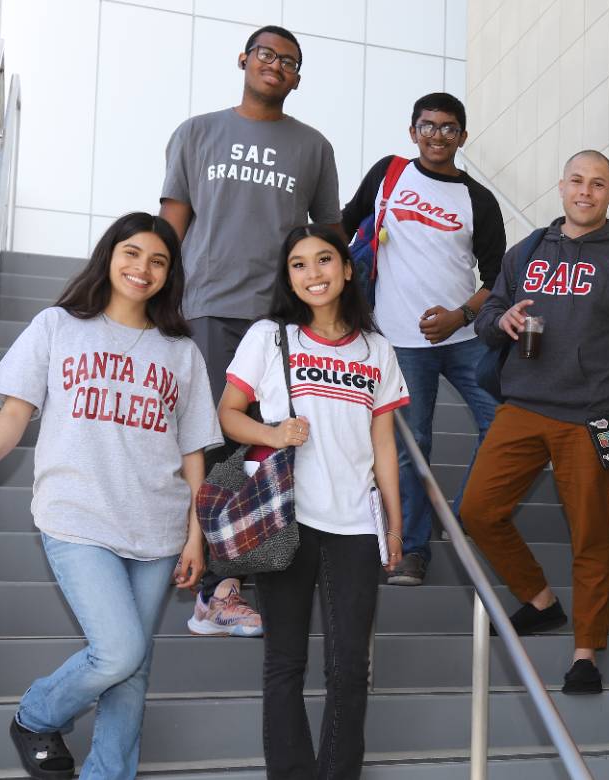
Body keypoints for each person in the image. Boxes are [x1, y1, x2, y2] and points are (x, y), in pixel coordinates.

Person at [0, 213, 221, 780]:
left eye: (158, 261)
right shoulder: (58, 326)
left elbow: (194, 453)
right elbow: (17, 409)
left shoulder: (181, 352)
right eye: (132, 253)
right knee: (119, 651)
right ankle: (37, 714)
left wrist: (197, 532)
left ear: (169, 275)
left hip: (159, 527)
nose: (143, 268)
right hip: (77, 517)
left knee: (134, 669)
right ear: (109, 256)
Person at [160, 23, 342, 636]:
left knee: (267, 444)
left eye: (290, 61)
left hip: (280, 319)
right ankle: (215, 588)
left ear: (297, 76)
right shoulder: (197, 133)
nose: (277, 65)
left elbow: (328, 236)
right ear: (244, 59)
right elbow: (171, 224)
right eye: (267, 54)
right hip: (208, 305)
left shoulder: (313, 147)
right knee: (213, 441)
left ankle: (243, 565)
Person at [460, 150, 609, 695]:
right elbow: (485, 315)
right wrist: (499, 320)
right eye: (577, 180)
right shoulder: (528, 252)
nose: (586, 191)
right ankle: (540, 600)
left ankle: (585, 652)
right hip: (523, 405)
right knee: (478, 510)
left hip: (596, 417)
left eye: (598, 184)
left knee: (591, 535)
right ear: (561, 185)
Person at [219, 225, 407, 779]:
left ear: (348, 269)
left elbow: (384, 444)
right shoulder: (269, 336)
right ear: (288, 277)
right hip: (285, 518)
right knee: (285, 662)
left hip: (353, 522)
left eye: (324, 260)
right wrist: (276, 435)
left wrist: (394, 526)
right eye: (298, 265)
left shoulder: (378, 349)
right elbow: (229, 413)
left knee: (350, 666)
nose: (312, 273)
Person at [340, 92, 505, 586]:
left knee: (503, 423)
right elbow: (342, 229)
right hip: (398, 340)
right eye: (428, 126)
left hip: (465, 337)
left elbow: (498, 278)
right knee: (414, 445)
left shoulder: (478, 198)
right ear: (413, 132)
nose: (437, 135)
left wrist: (460, 316)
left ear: (463, 136)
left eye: (449, 128)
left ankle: (456, 515)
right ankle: (413, 548)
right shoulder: (388, 174)